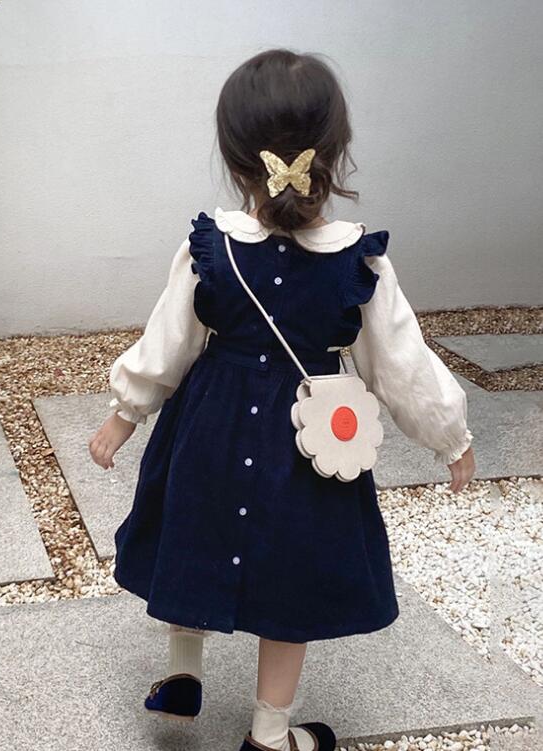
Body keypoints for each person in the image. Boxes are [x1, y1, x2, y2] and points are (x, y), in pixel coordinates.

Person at [88, 48, 475, 751]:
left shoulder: (211, 247)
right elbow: (400, 362)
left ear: (235, 157)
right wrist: (449, 435)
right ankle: (269, 733)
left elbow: (168, 340)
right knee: (290, 581)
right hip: (304, 445)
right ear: (335, 150)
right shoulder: (358, 260)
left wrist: (125, 413)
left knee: (194, 538)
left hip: (209, 426)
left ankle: (183, 674)